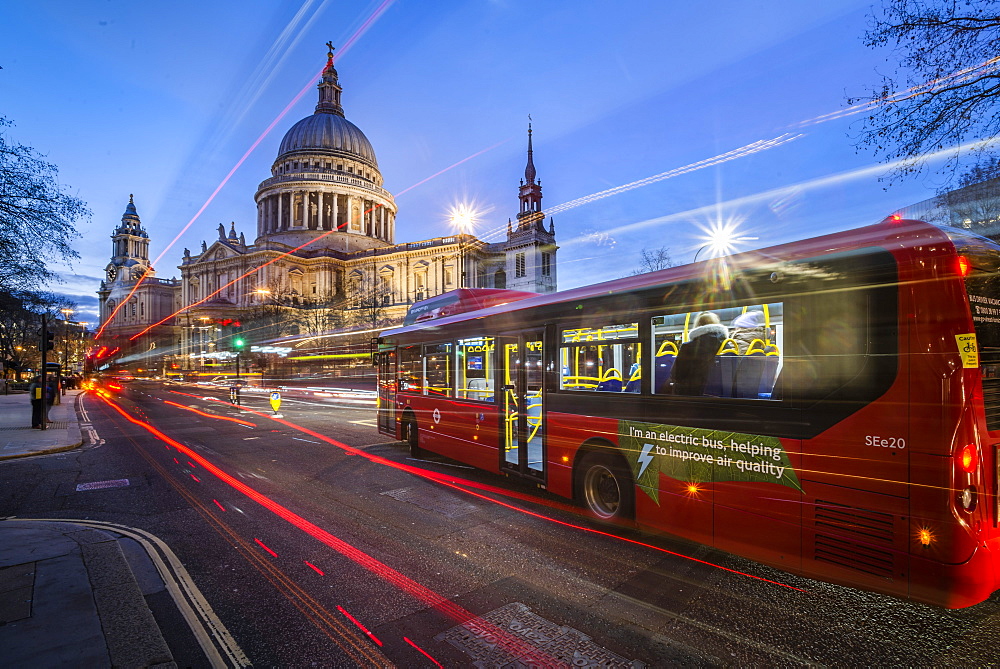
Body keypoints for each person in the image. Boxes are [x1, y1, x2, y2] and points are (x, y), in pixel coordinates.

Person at [669, 312, 728, 396]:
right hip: (720, 394)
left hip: (692, 395)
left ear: (698, 325)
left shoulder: (688, 347)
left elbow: (676, 374)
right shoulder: (726, 344)